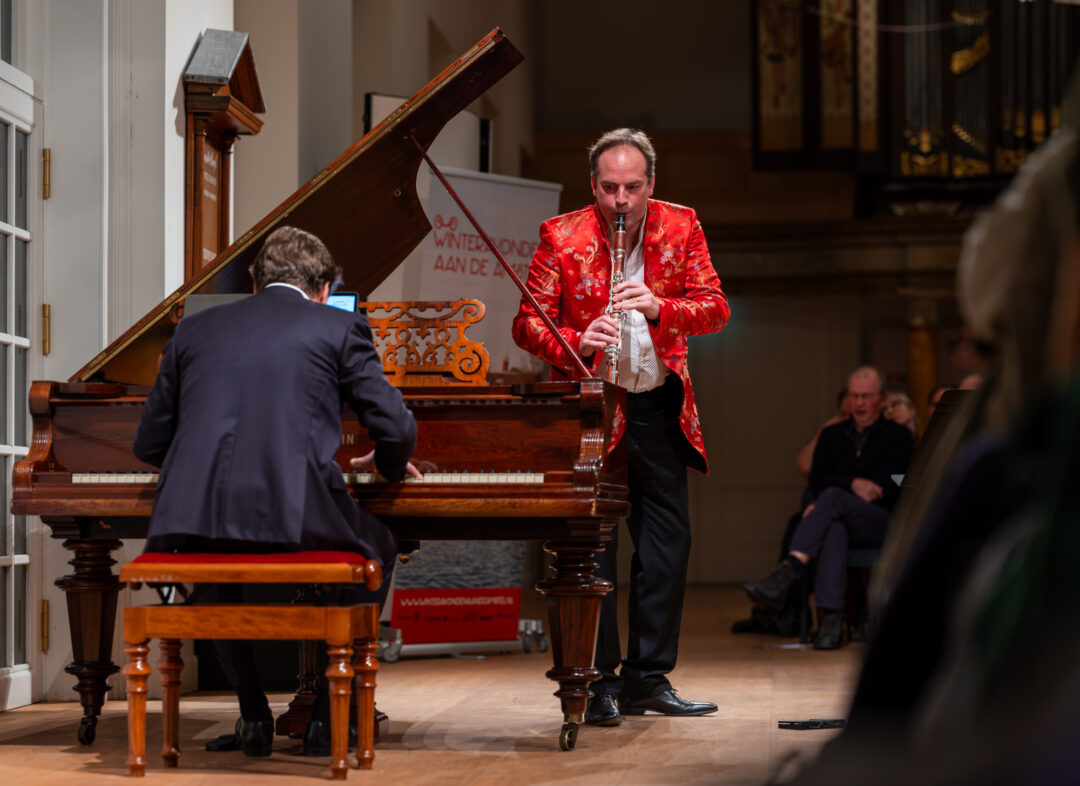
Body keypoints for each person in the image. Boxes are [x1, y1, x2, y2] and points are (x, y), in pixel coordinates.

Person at [133, 225, 419, 757]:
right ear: (326, 289)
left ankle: (253, 715)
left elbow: (150, 442)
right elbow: (397, 428)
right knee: (377, 545)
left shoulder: (192, 331)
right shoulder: (340, 327)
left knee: (210, 562)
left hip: (196, 513)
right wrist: (386, 464)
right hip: (297, 511)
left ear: (256, 281)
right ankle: (334, 715)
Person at [511, 128, 730, 726]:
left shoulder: (681, 226)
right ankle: (598, 681)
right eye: (610, 188)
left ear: (651, 184)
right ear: (594, 186)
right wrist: (577, 340)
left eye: (633, 187)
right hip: (592, 409)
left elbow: (715, 307)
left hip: (658, 406)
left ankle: (648, 678)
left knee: (666, 547)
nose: (621, 200)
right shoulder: (561, 234)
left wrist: (661, 307)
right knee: (593, 552)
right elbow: (527, 323)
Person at [742, 366, 914, 649]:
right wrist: (854, 483)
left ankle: (791, 569)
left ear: (881, 399)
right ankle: (831, 625)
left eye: (866, 396)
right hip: (840, 518)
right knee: (834, 527)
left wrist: (840, 491)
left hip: (880, 521)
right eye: (854, 395)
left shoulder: (898, 436)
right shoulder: (832, 435)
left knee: (832, 498)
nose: (858, 403)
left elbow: (890, 484)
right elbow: (818, 477)